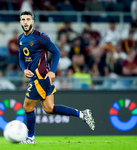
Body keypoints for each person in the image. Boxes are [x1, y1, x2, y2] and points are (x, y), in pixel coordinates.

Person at [18, 11, 95, 144]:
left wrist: (53, 71)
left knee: (27, 107)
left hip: (40, 78)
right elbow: (20, 58)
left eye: (28, 19)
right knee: (49, 108)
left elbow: (57, 52)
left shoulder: (40, 37)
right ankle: (83, 114)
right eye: (23, 19)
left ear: (32, 21)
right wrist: (24, 69)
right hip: (38, 79)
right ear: (20, 22)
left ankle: (31, 138)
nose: (25, 22)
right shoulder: (20, 39)